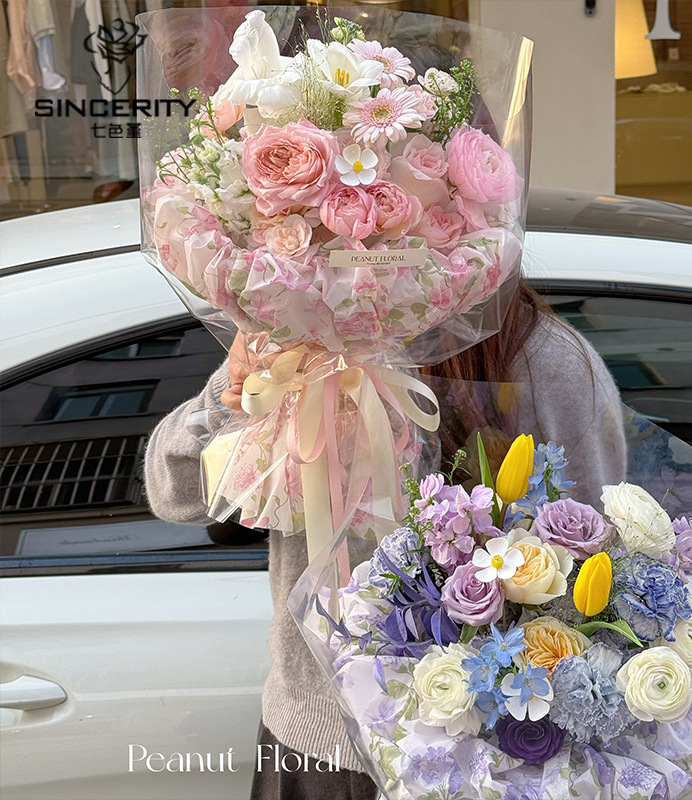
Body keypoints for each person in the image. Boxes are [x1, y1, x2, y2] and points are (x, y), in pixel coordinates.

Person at [144, 280, 627, 800]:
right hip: (322, 743)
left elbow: (595, 563)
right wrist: (235, 393)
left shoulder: (539, 359)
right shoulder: (295, 340)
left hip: (492, 753)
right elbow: (176, 491)